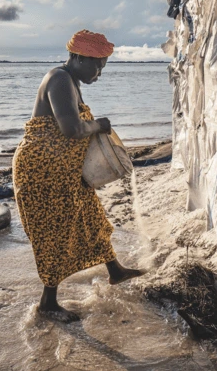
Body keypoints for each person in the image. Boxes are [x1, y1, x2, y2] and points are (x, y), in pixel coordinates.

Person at [12, 29, 145, 322]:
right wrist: (99, 125)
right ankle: (47, 304)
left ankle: (116, 271)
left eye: (103, 66)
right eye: (97, 66)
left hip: (63, 169)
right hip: (42, 171)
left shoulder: (71, 80)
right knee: (54, 233)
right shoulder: (59, 80)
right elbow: (71, 129)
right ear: (78, 57)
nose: (99, 72)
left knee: (90, 215)